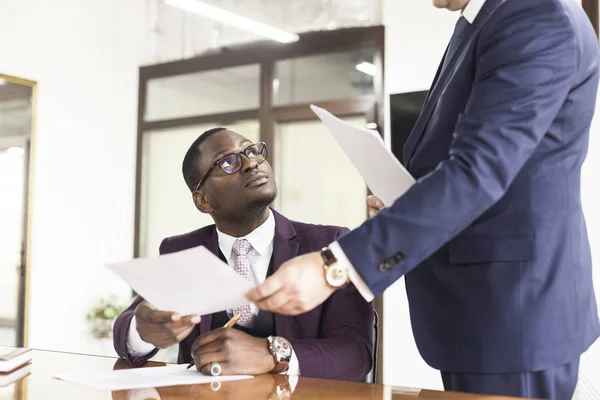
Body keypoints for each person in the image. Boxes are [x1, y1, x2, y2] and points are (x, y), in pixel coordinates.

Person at [247, 0, 600, 398]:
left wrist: (335, 266)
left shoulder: (535, 17)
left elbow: (477, 171)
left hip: (513, 312)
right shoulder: (482, 21)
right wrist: (411, 198)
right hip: (482, 309)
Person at [113, 127, 374, 382]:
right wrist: (142, 330)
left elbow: (356, 355)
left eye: (252, 151)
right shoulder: (182, 249)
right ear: (203, 201)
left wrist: (272, 354)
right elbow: (127, 330)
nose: (251, 163)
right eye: (227, 162)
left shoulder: (328, 245)